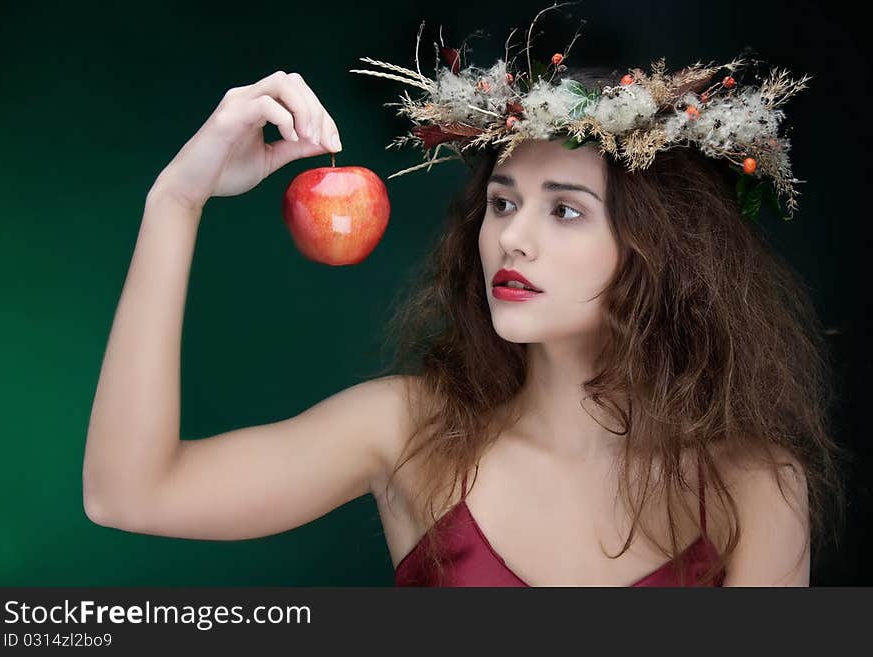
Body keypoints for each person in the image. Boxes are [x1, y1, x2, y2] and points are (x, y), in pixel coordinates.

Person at [82, 53, 848, 586]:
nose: (512, 235)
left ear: (661, 252)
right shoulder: (406, 431)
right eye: (504, 201)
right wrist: (176, 200)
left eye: (566, 210)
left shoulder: (757, 487)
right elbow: (126, 494)